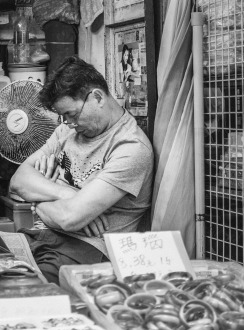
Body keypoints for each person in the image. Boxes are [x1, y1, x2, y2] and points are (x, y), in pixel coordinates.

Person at [9, 56, 154, 284]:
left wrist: (37, 199)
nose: (69, 123)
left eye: (72, 115)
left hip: (89, 250)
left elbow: (69, 218)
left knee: (19, 287)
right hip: (43, 235)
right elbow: (18, 181)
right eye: (64, 117)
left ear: (97, 97)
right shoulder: (66, 132)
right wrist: (66, 193)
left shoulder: (130, 148)